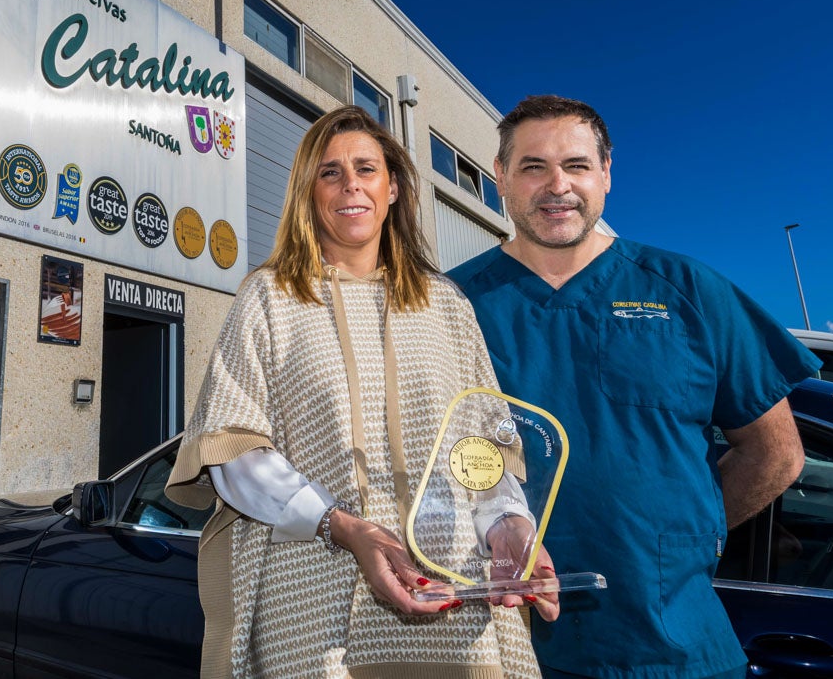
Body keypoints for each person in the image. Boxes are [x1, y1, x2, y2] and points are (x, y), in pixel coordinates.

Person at [166, 105, 555, 679]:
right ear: (309, 192)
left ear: (392, 187)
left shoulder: (446, 305)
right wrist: (343, 527)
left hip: (452, 602)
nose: (350, 184)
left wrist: (508, 526)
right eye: (329, 172)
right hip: (313, 607)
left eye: (366, 168)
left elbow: (480, 451)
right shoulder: (269, 298)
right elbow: (234, 451)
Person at [447, 95, 815, 679]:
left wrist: (690, 536)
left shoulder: (690, 291)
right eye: (533, 166)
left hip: (676, 650)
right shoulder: (448, 305)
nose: (557, 185)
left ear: (607, 174)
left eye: (576, 165)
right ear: (500, 178)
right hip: (501, 650)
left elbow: (776, 453)